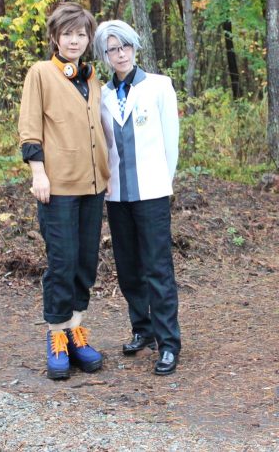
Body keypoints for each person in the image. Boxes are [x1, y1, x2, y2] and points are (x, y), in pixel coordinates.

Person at [18, 2, 110, 380]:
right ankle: (57, 336)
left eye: (81, 34)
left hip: (94, 185)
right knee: (63, 260)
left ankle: (76, 329)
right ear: (55, 37)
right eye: (68, 33)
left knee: (86, 262)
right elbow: (29, 126)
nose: (74, 40)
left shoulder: (90, 78)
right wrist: (38, 172)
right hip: (57, 186)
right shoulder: (40, 73)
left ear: (88, 39)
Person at [94, 20, 182, 375]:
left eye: (125, 46)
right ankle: (141, 330)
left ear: (135, 48)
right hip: (117, 195)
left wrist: (164, 182)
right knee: (129, 268)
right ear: (105, 55)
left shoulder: (160, 86)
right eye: (113, 49)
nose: (121, 54)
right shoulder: (101, 94)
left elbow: (170, 142)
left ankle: (168, 342)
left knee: (157, 268)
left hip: (152, 192)